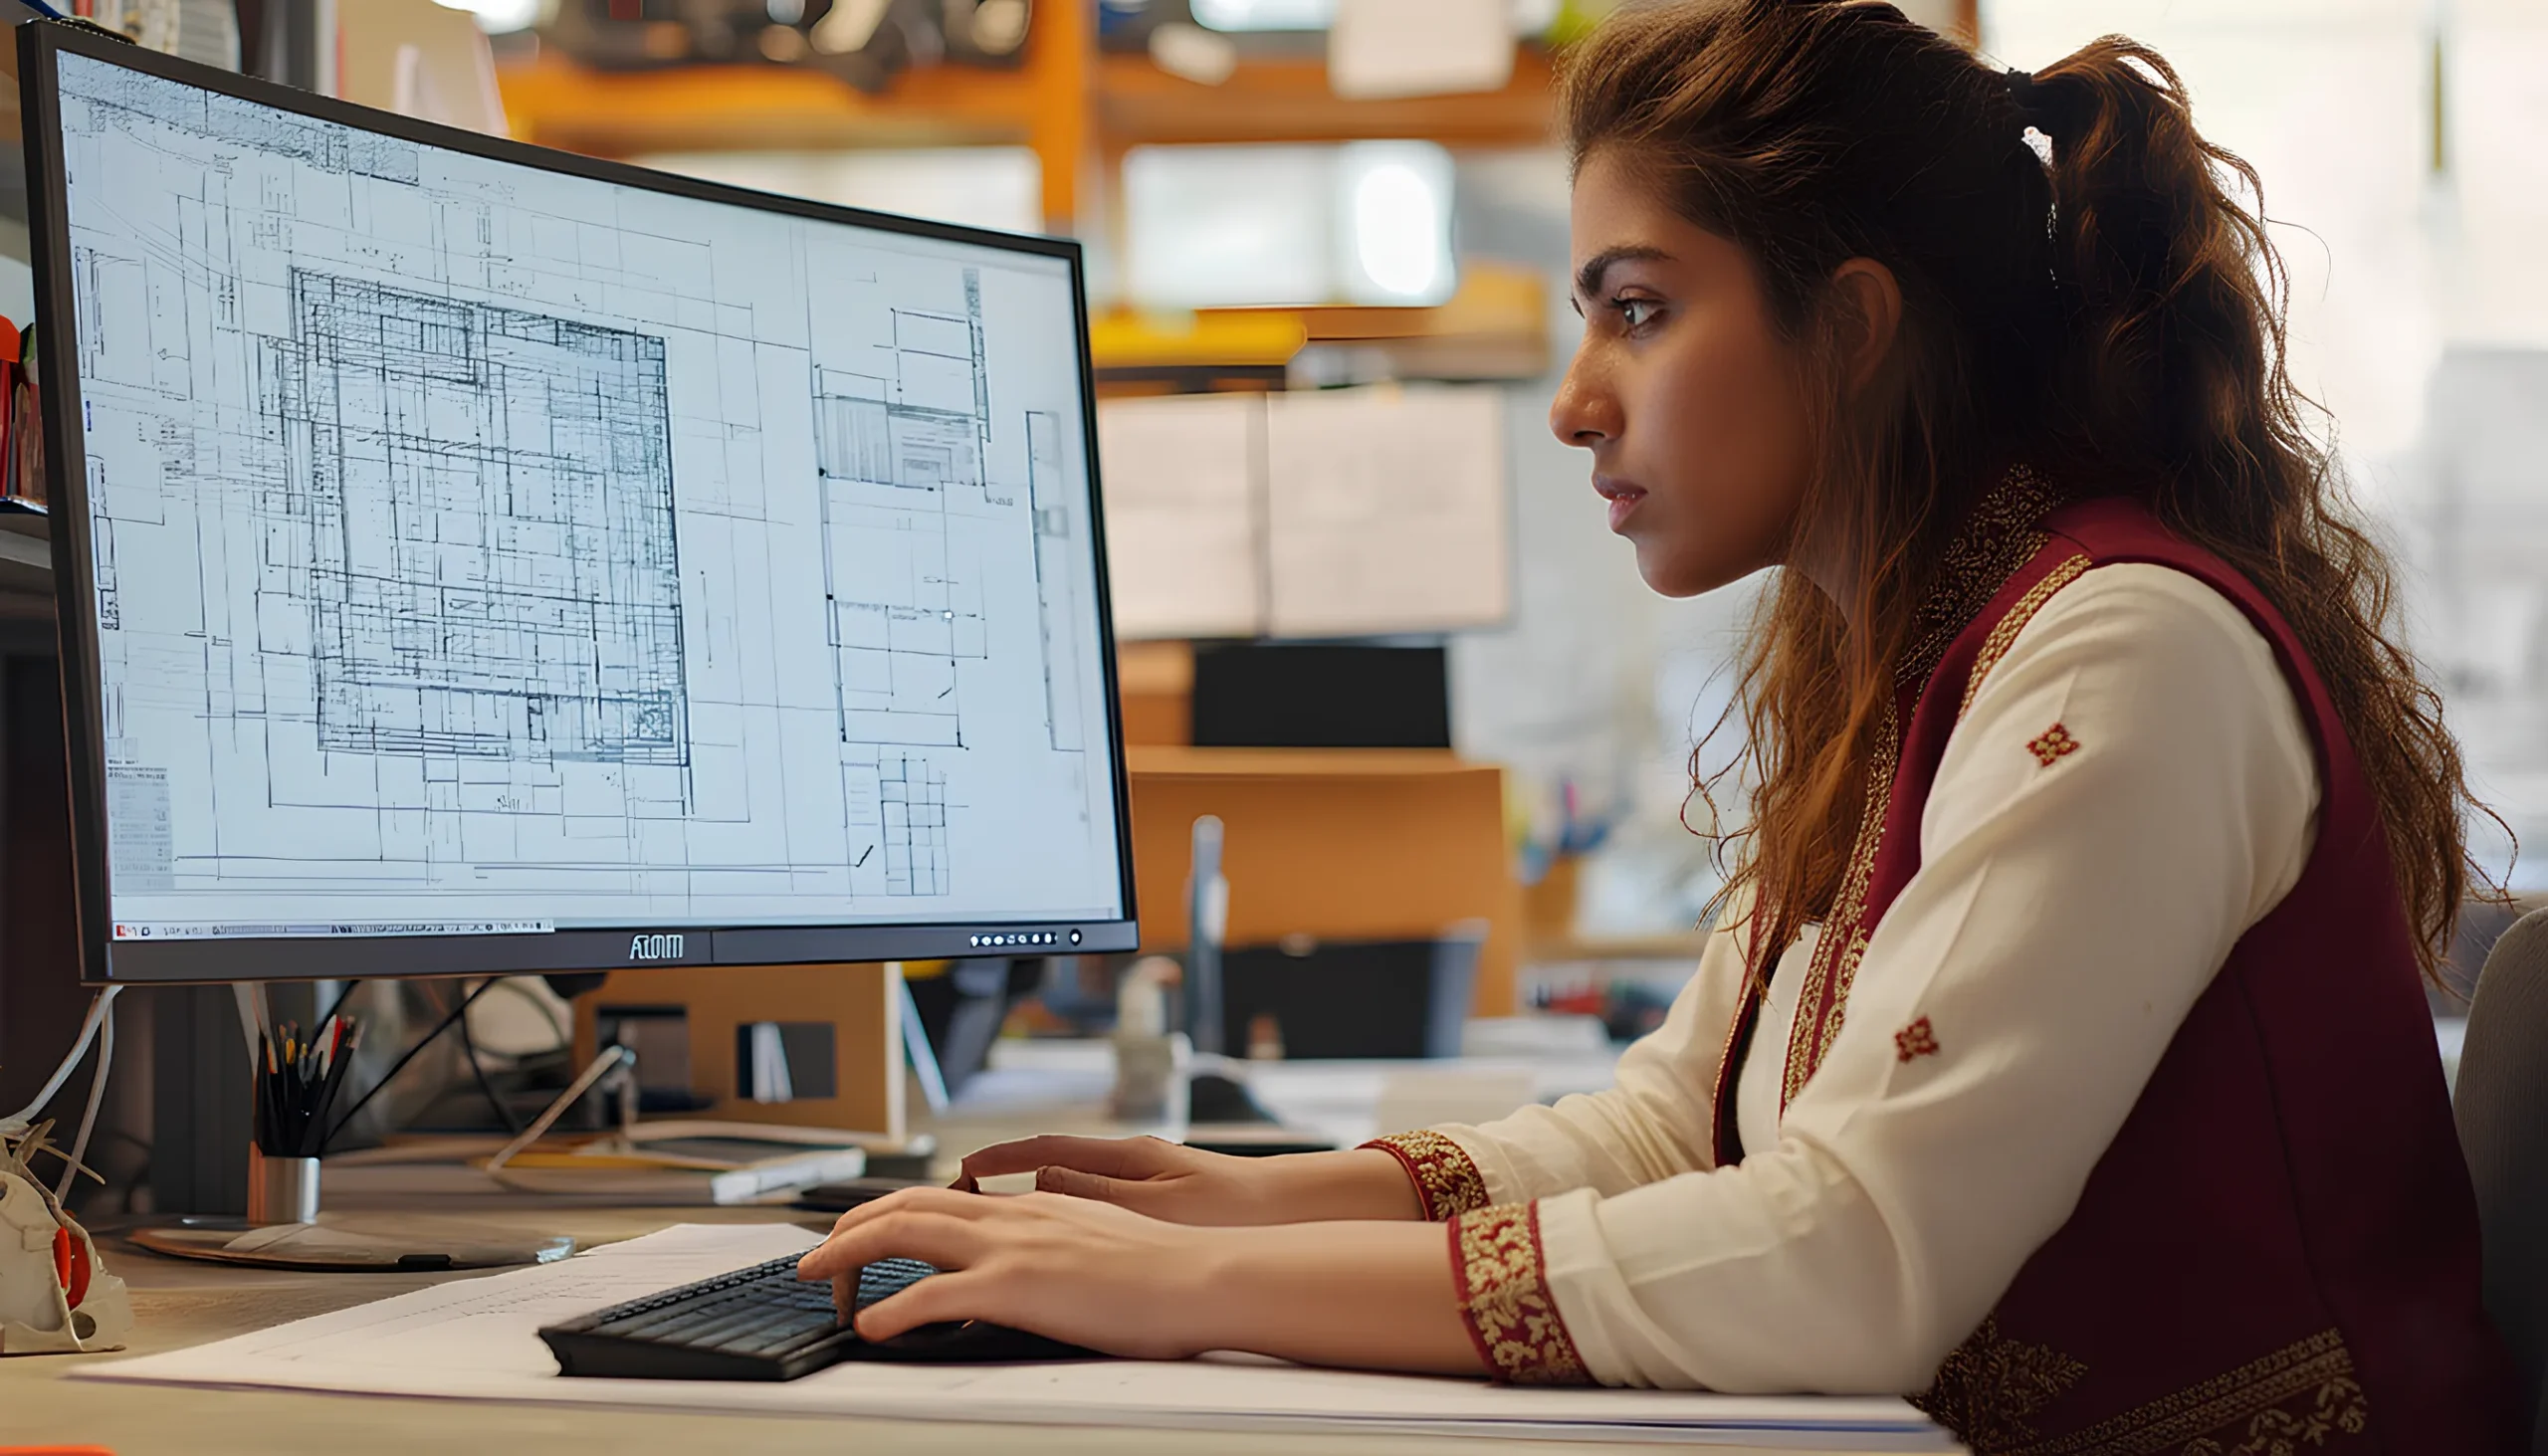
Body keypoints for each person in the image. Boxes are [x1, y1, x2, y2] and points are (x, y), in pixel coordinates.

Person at [798, 1, 2522, 1448]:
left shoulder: (2123, 655)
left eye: (1641, 309)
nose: (1572, 402)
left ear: (1850, 328)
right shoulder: (1923, 653)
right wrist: (1244, 1200)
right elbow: (1673, 1123)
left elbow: (1850, 1256)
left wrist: (1181, 1296)